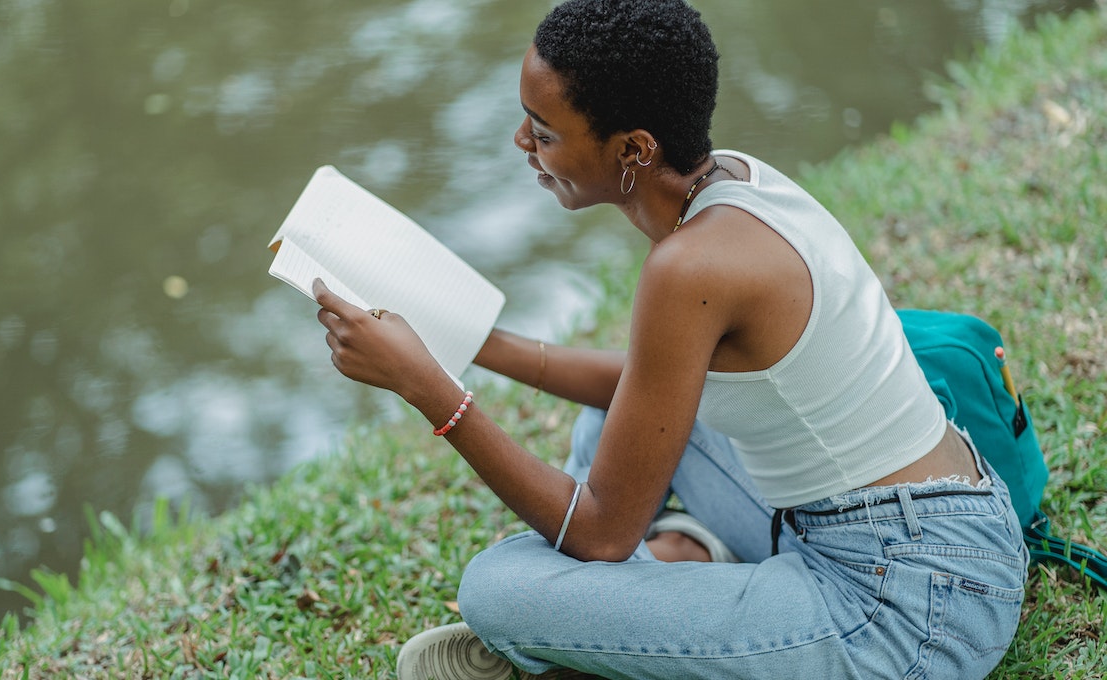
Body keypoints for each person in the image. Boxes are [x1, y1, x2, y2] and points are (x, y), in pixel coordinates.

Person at [312, 0, 1028, 678]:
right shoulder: (735, 181)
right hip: (925, 528)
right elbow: (648, 379)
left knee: (496, 588)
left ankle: (637, 627)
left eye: (545, 130)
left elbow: (599, 535)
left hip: (907, 611)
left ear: (634, 149)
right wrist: (473, 341)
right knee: (621, 411)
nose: (522, 142)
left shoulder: (688, 268)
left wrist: (429, 390)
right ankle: (682, 579)